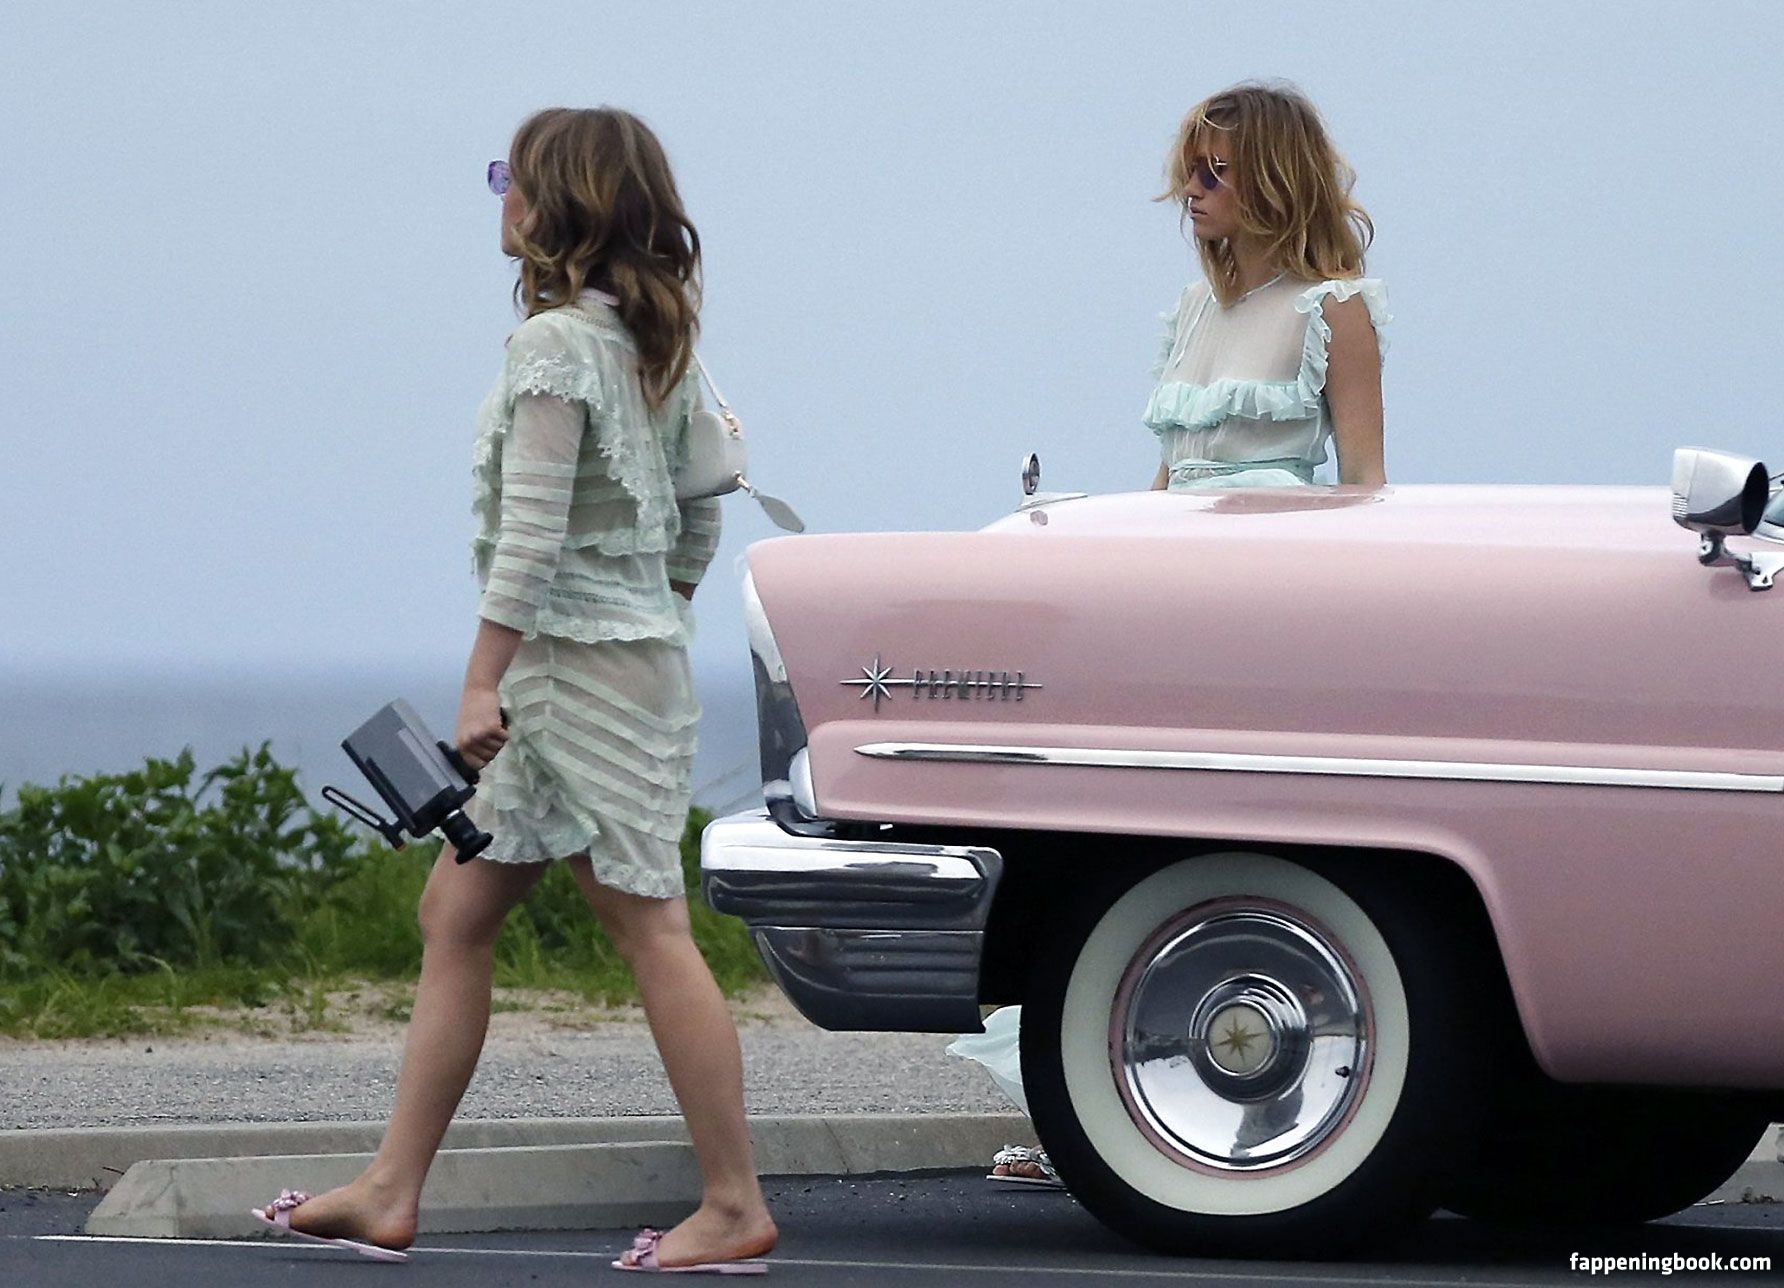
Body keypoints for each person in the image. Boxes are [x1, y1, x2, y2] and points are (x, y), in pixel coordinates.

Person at [253, 106, 777, 1275]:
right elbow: (701, 507)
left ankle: (733, 1202)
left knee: (648, 925)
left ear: (560, 201)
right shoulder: (655, 338)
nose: (502, 195)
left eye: (513, 176)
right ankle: (390, 1188)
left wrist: (480, 681)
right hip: (614, 663)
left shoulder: (554, 346)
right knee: (456, 913)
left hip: (563, 676)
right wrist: (649, 607)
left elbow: (530, 536)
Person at [967, 80, 1389, 1186]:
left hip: (1268, 603)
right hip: (1170, 595)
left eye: (1214, 172)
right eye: (1187, 172)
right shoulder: (1192, 311)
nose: (1190, 192)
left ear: (1273, 179)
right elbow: (1169, 478)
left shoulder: (1333, 308)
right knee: (1115, 848)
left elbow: (1364, 488)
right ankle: (1090, 1108)